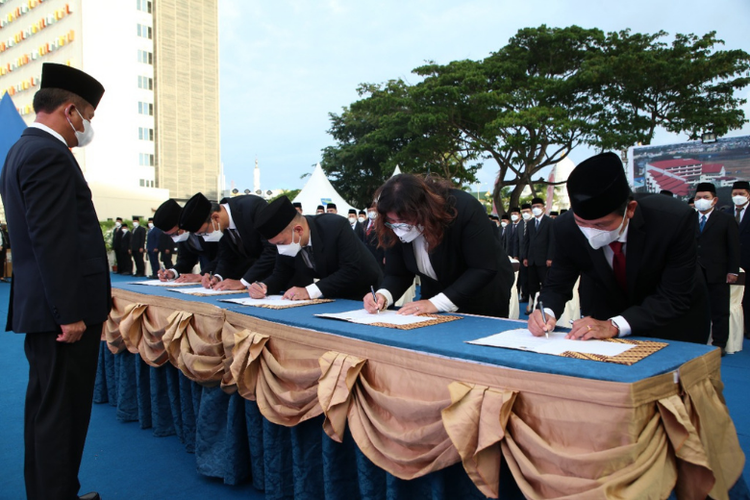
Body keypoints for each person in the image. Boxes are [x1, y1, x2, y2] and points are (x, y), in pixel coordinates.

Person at [0, 62, 108, 500]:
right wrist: (70, 313)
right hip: (60, 314)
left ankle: (53, 491)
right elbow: (53, 240)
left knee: (48, 412)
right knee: (62, 416)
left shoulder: (20, 150)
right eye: (88, 118)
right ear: (69, 110)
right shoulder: (49, 154)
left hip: (44, 308)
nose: (87, 128)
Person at [528, 152, 710, 344]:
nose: (591, 233)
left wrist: (615, 325)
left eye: (601, 225)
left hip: (673, 325)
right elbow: (558, 282)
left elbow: (674, 296)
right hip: (606, 322)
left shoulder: (672, 221)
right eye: (582, 223)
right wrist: (546, 311)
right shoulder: (567, 228)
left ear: (630, 210)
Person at [364, 174, 514, 317]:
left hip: (482, 295)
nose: (398, 227)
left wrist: (437, 303)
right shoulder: (390, 227)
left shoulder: (464, 208)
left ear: (423, 211)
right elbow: (398, 273)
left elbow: (482, 268)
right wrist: (383, 295)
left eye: (404, 220)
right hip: (434, 296)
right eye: (392, 220)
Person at [249, 196, 383, 300]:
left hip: (366, 292)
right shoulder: (287, 241)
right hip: (333, 295)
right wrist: (264, 286)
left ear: (299, 230)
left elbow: (350, 269)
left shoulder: (335, 226)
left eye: (281, 243)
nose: (280, 249)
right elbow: (281, 273)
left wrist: (308, 291)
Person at [180, 192, 277, 290]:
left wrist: (242, 282)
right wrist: (217, 277)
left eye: (204, 232)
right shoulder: (222, 225)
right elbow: (226, 256)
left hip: (274, 278)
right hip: (253, 283)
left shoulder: (253, 207)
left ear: (215, 217)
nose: (205, 238)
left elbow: (272, 249)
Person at [694, 182, 739, 355]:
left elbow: (734, 247)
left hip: (718, 272)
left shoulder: (726, 220)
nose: (701, 201)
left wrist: (732, 271)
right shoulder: (689, 218)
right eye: (698, 198)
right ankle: (697, 342)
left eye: (705, 197)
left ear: (715, 200)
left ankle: (719, 344)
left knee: (719, 310)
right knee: (696, 310)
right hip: (694, 273)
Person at [153, 198, 218, 283]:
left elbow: (224, 255)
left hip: (229, 275)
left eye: (175, 233)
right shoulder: (184, 235)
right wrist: (172, 272)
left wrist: (201, 275)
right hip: (208, 279)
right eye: (170, 235)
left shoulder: (207, 226)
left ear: (182, 222)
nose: (174, 238)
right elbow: (186, 260)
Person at [522, 196, 554, 313]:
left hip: (544, 259)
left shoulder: (550, 222)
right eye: (534, 207)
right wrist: (525, 256)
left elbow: (552, 241)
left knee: (545, 284)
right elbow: (527, 241)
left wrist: (550, 257)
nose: (536, 209)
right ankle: (532, 307)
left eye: (538, 207)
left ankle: (545, 308)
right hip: (531, 259)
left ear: (543, 208)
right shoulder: (530, 223)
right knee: (532, 285)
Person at [731, 180, 750, 338]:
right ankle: (738, 329)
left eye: (741, 194)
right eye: (735, 194)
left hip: (748, 261)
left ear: (748, 195)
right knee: (735, 299)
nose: (738, 197)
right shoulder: (726, 212)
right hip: (733, 264)